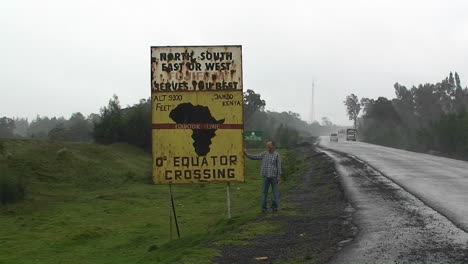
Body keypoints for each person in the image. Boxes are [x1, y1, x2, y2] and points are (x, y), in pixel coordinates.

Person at [244, 140, 282, 212]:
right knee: (264, 192)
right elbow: (255, 157)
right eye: (267, 146)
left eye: (269, 146)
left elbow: (279, 166)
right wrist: (246, 154)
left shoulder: (277, 155)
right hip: (265, 177)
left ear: (273, 146)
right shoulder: (264, 154)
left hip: (274, 177)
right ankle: (264, 208)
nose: (267, 147)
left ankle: (274, 207)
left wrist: (279, 176)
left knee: (275, 192)